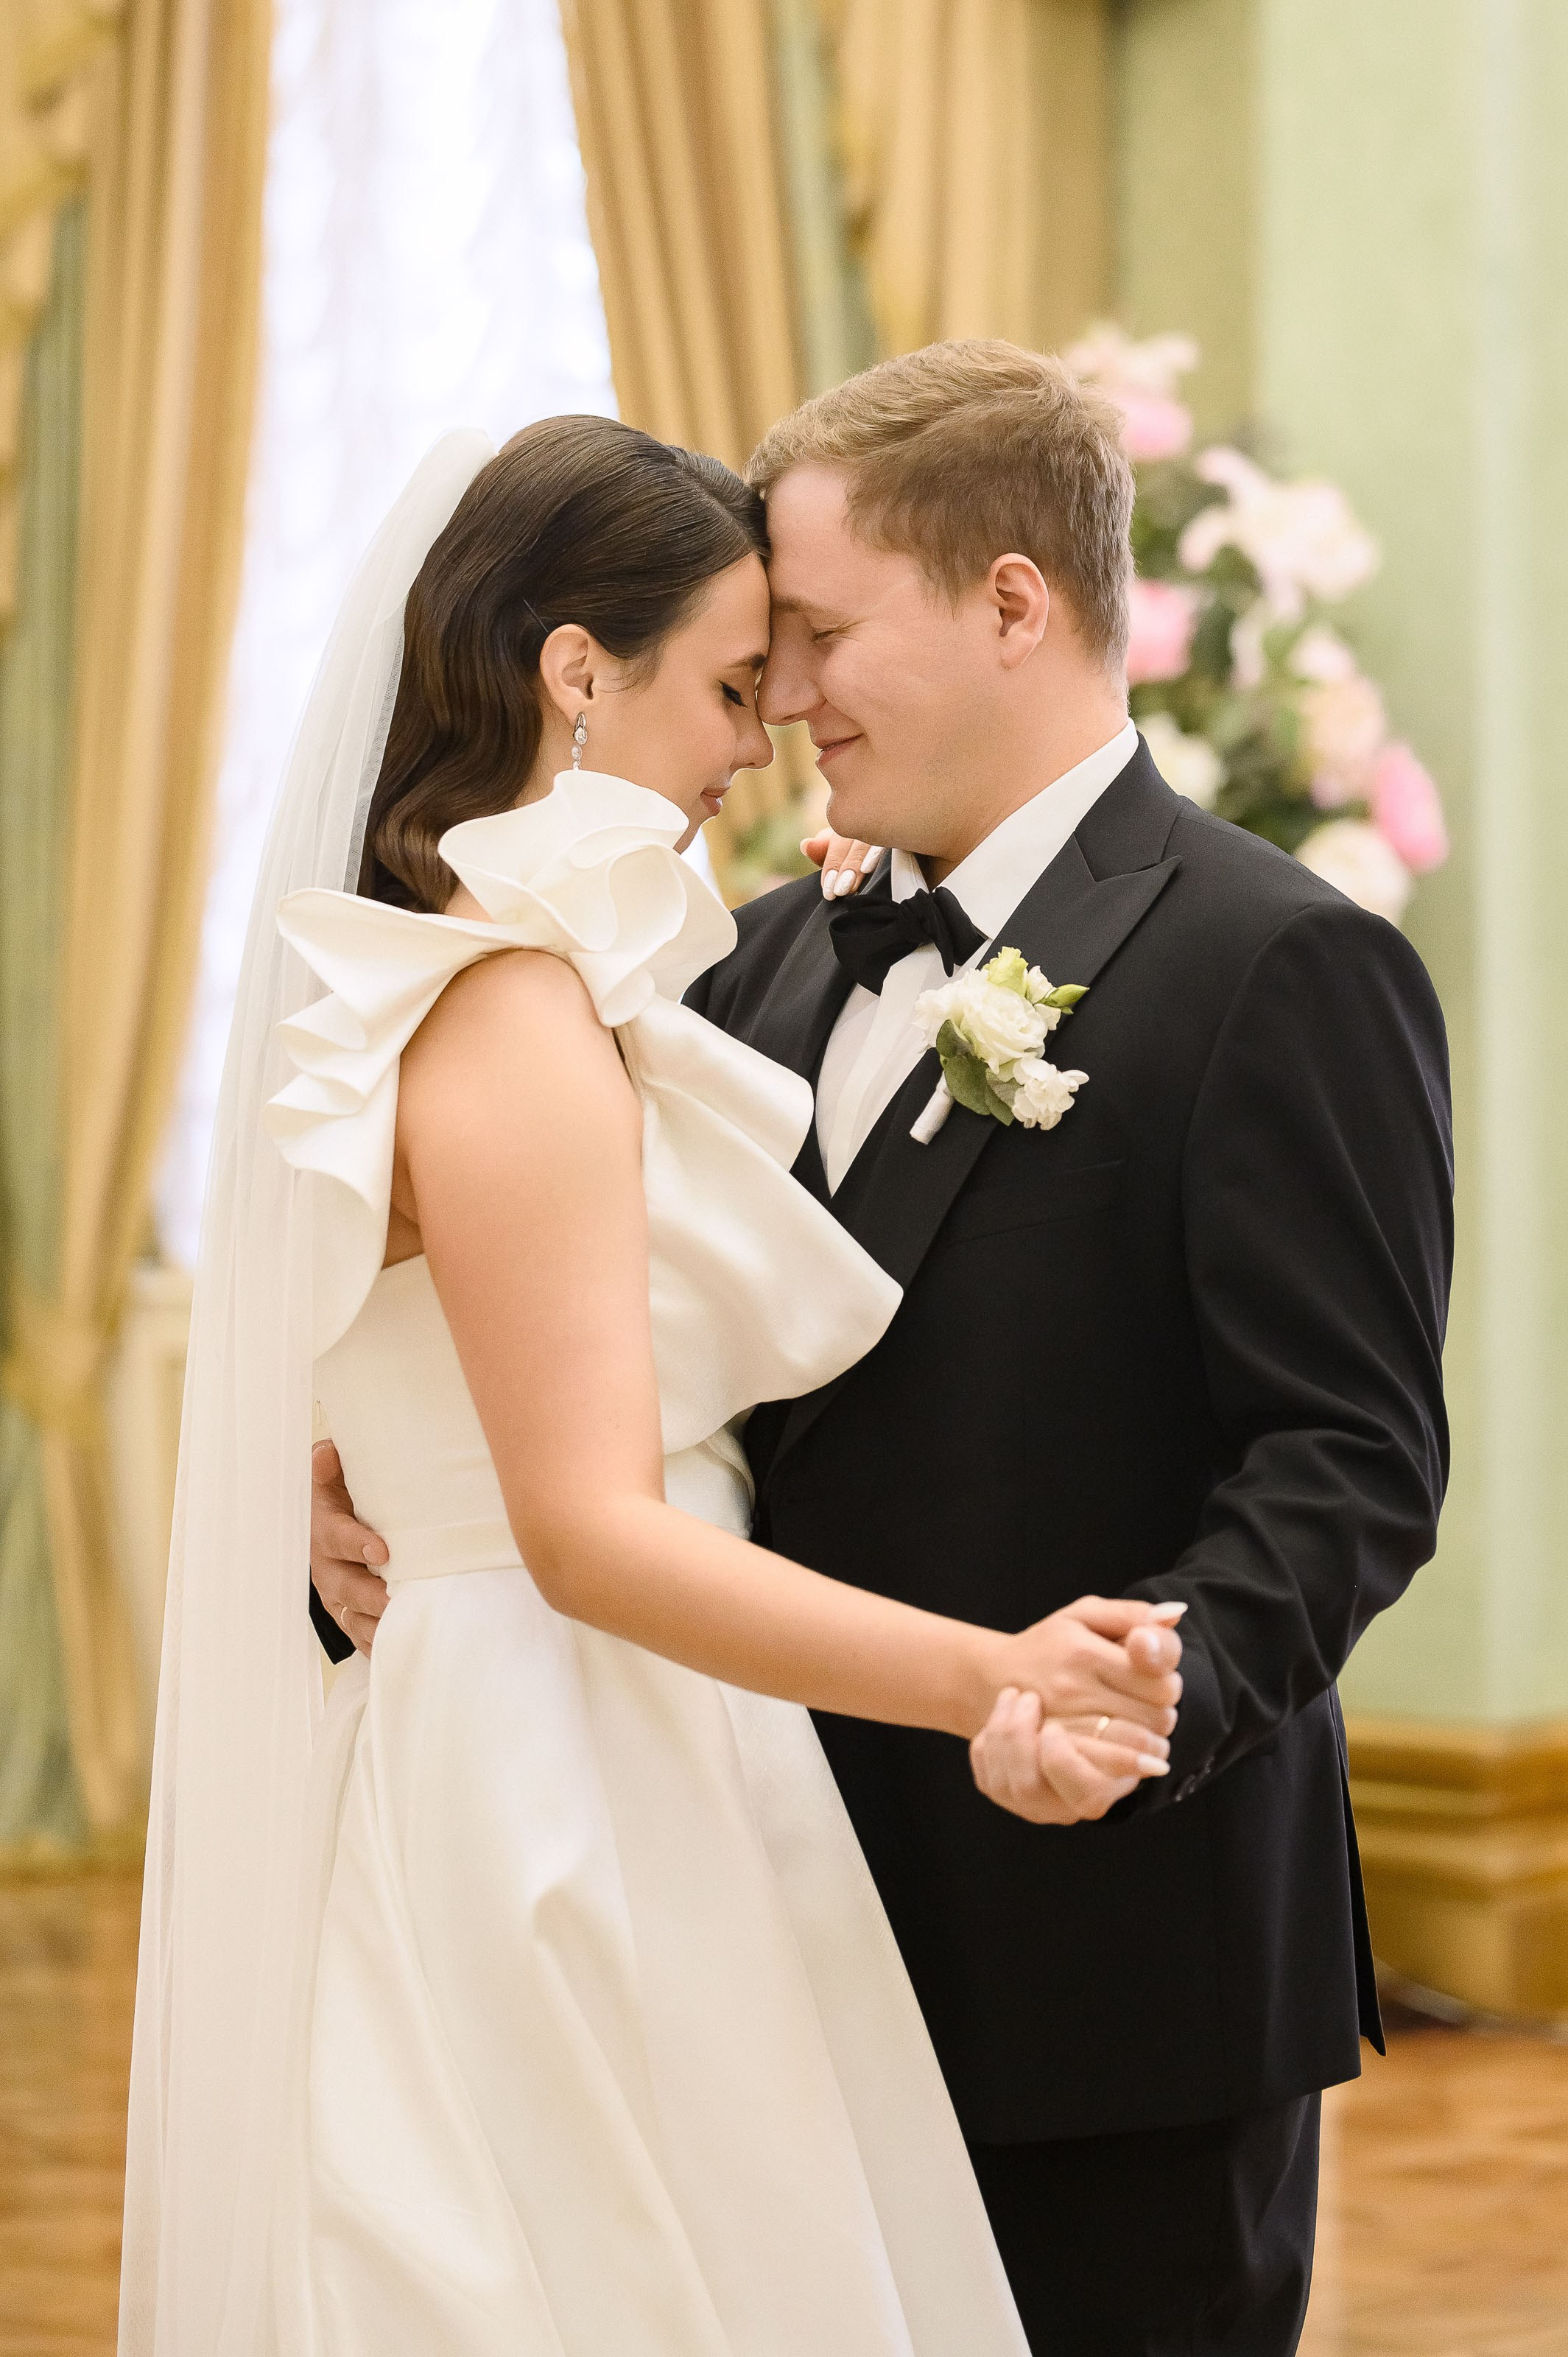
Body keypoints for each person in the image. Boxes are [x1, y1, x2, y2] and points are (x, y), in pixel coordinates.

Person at [316, 341, 1453, 2356]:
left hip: (1106, 1962)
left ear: (1011, 602)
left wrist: (1127, 1706)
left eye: (821, 637)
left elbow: (1345, 1461)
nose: (779, 704)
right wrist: (359, 1497)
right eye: (756, 662)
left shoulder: (1273, 962)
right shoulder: (731, 963)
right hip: (748, 1927)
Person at [123, 414, 1188, 2356]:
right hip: (572, 1758)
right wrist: (998, 1673)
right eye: (721, 684)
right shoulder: (511, 1011)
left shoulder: (422, 976)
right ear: (574, 672)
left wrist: (339, 1441)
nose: (759, 736)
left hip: (552, 1726)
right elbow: (593, 1537)